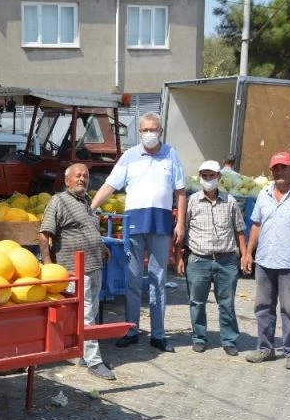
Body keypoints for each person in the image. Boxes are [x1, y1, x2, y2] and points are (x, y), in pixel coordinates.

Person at [91, 112, 186, 353]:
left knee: (158, 280)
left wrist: (181, 223)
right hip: (135, 224)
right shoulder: (129, 156)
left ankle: (158, 334)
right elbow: (110, 185)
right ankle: (131, 330)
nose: (149, 133)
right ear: (139, 132)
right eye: (144, 130)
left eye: (153, 129)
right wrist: (89, 207)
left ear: (161, 131)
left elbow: (181, 192)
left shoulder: (171, 155)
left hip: (161, 223)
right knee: (132, 280)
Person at [241, 151, 290, 370]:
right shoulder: (263, 195)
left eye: (283, 167)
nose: (279, 171)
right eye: (275, 168)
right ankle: (265, 349)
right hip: (265, 261)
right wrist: (249, 252)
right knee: (263, 307)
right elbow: (256, 225)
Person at [39, 163, 115, 380]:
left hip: (94, 266)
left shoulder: (87, 202)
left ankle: (82, 352)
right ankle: (95, 361)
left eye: (85, 176)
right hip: (74, 270)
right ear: (67, 181)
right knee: (86, 315)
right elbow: (44, 235)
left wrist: (102, 247)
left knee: (90, 312)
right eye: (78, 175)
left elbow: (89, 229)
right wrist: (49, 267)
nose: (82, 179)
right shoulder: (59, 201)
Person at [176, 160, 247, 356]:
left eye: (211, 176)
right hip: (199, 259)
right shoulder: (192, 201)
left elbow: (240, 230)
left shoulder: (230, 201)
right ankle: (199, 337)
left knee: (226, 302)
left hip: (226, 260)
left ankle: (229, 339)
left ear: (219, 177)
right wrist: (178, 257)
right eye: (204, 176)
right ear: (200, 178)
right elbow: (181, 231)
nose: (208, 179)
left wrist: (244, 254)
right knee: (197, 302)